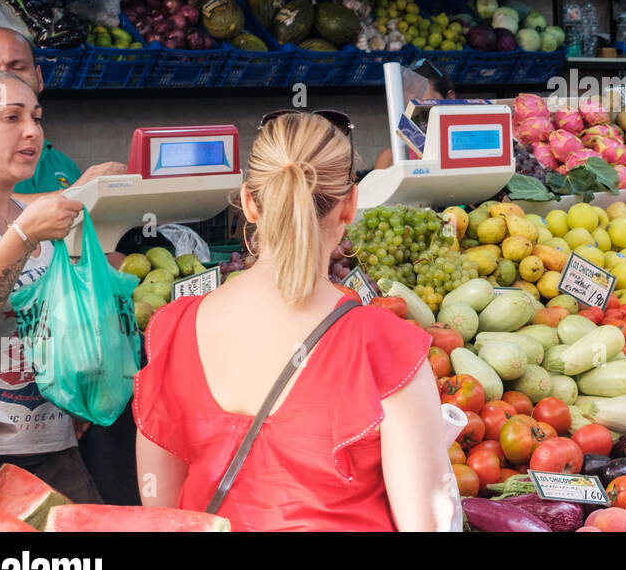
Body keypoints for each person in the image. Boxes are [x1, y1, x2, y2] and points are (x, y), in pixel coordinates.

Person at [135, 111, 454, 531]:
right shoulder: (386, 345)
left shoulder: (171, 329)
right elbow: (425, 523)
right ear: (350, 205)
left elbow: (161, 512)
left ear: (249, 201)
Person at [0, 70, 102, 502]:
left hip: (54, 445)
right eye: (11, 118)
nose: (31, 131)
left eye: (36, 118)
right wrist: (22, 237)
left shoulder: (27, 210)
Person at [0, 28, 126, 193]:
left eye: (19, 67)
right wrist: (77, 193)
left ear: (39, 78)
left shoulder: (63, 164)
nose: (6, 78)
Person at [373, 60, 457, 171]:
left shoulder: (469, 151)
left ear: (450, 99)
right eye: (408, 108)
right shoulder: (391, 160)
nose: (417, 116)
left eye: (424, 106)